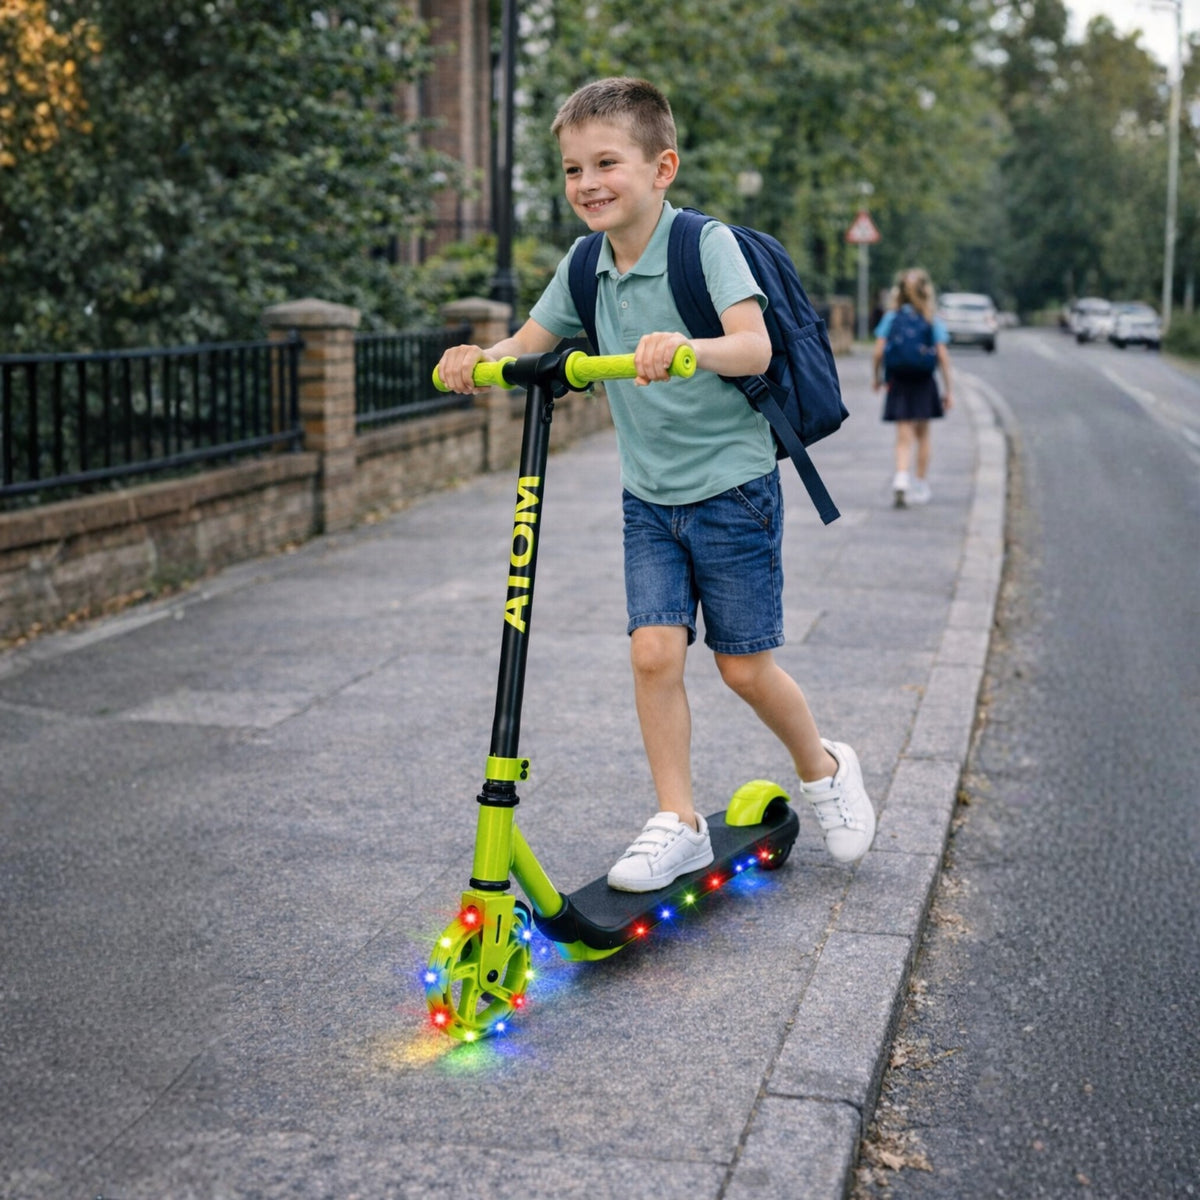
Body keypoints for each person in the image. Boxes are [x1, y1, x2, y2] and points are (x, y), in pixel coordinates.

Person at [436, 77, 874, 892]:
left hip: (733, 489)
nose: (587, 183)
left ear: (661, 168)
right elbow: (528, 342)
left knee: (744, 669)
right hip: (648, 498)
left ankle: (824, 767)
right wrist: (477, 359)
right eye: (573, 170)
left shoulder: (704, 246)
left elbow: (752, 347)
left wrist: (685, 348)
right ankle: (679, 822)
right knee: (652, 653)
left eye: (606, 163)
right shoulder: (584, 264)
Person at [872, 269, 953, 508]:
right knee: (923, 434)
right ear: (927, 291)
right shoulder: (931, 319)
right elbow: (942, 356)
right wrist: (948, 390)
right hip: (924, 381)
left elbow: (878, 352)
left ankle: (901, 478)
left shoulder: (891, 318)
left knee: (903, 435)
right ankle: (920, 484)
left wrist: (877, 378)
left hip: (898, 381)